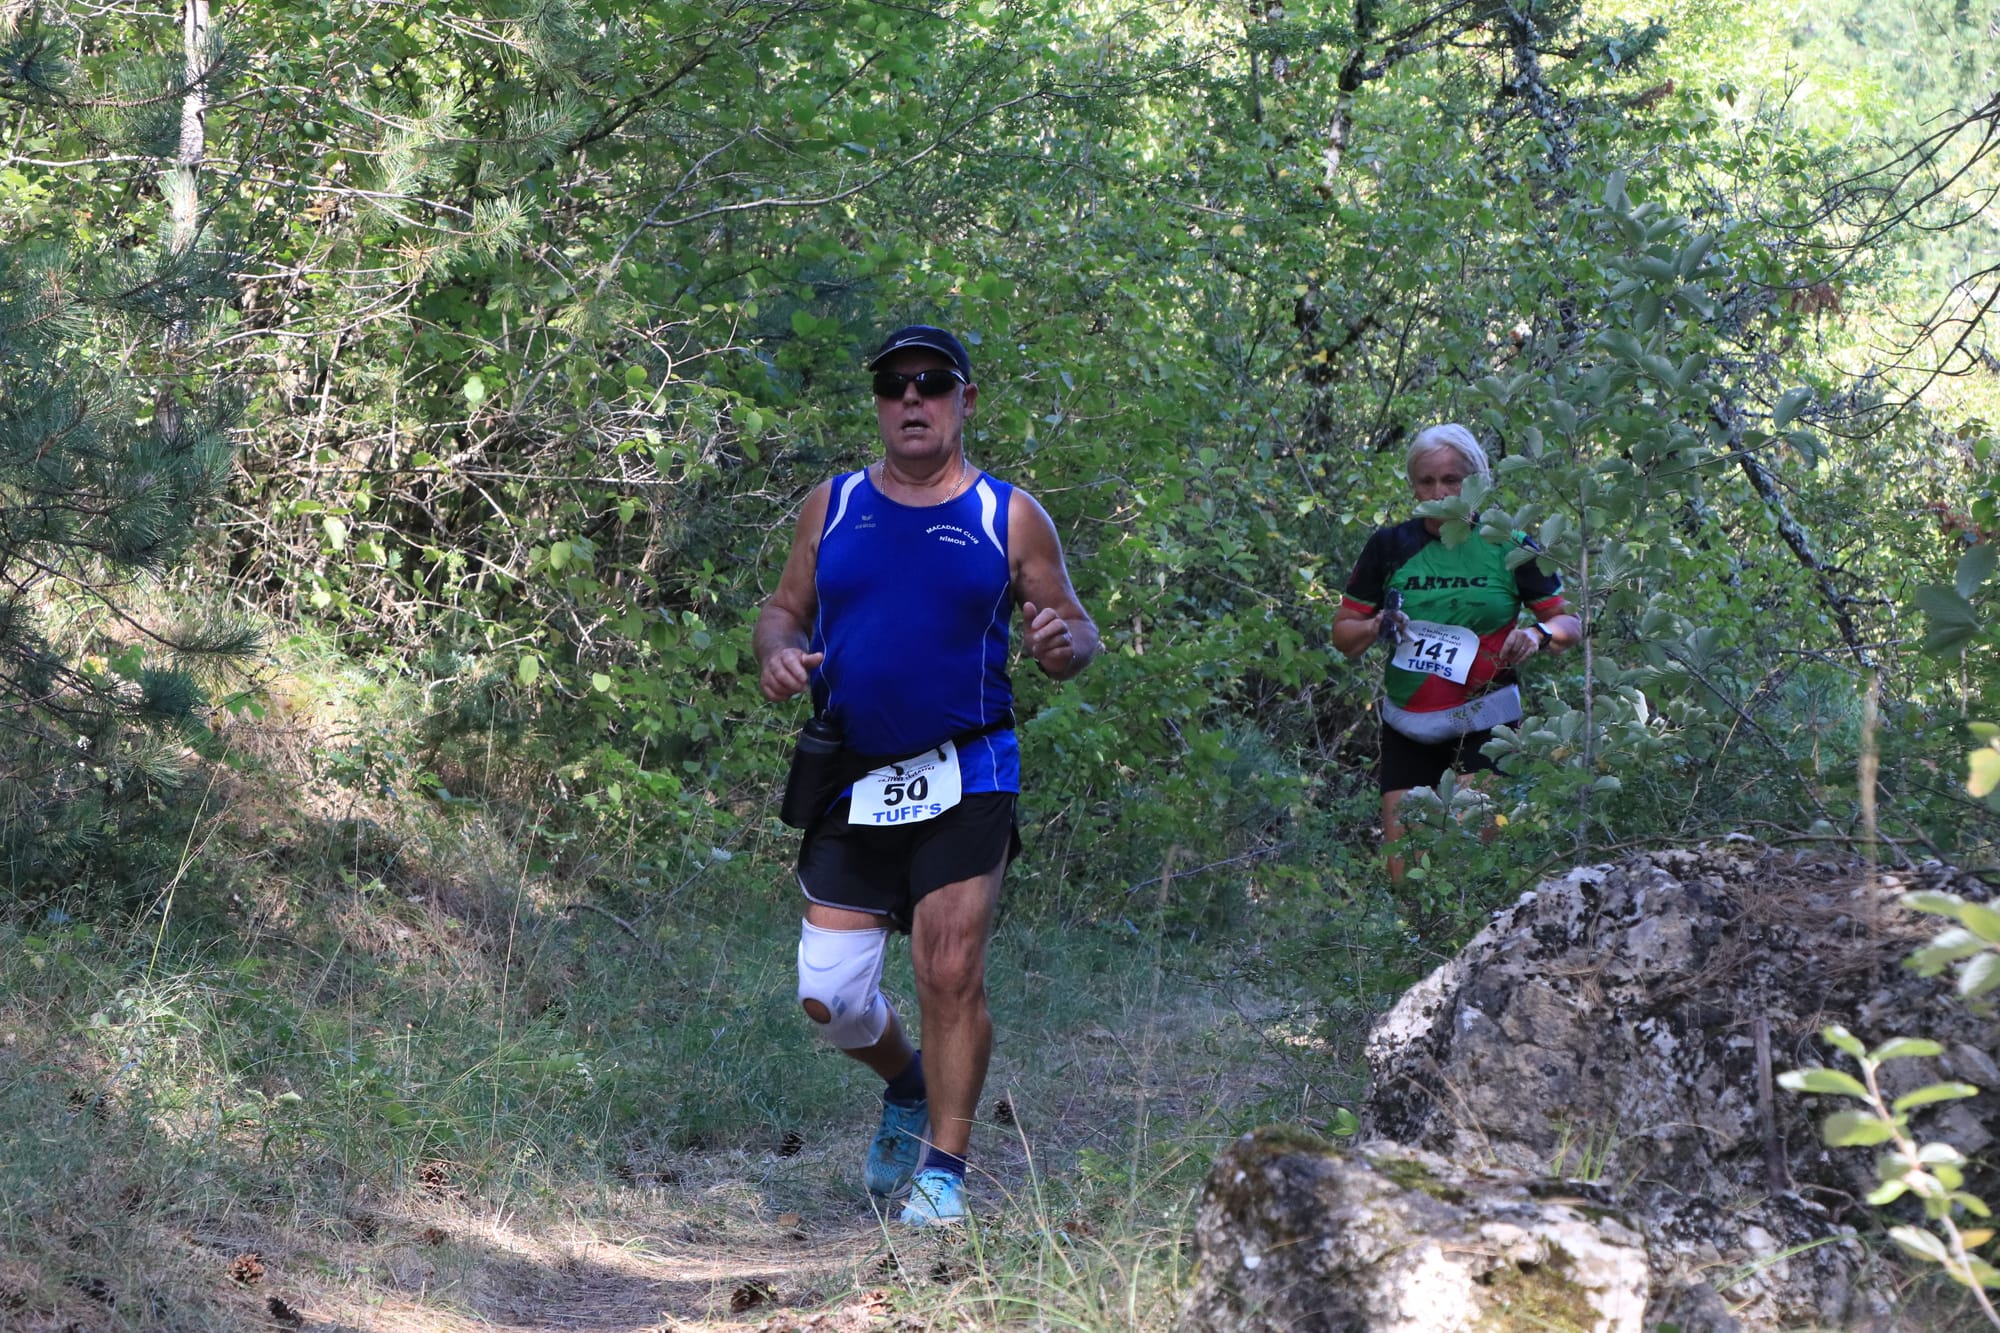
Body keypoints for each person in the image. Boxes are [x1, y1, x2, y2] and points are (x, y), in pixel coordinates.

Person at [754, 324, 1099, 1227]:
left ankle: (944, 1172)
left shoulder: (1006, 513)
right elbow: (783, 610)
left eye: (933, 383)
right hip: (853, 774)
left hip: (968, 767)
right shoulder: (830, 506)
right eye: (894, 384)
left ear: (964, 401)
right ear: (877, 402)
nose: (913, 399)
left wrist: (1062, 643)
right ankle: (906, 1083)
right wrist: (780, 653)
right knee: (830, 995)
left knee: (947, 969)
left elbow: (1072, 626)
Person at [1332, 424, 1581, 882]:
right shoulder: (1389, 547)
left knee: (1471, 869)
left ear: (1476, 481)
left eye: (1451, 480)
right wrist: (1376, 625)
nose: (1439, 492)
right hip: (1409, 722)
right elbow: (1344, 636)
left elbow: (1570, 624)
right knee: (1407, 877)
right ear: (1413, 486)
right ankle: (1425, 955)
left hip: (1486, 718)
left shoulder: (1508, 544)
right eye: (1426, 481)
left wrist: (1539, 634)